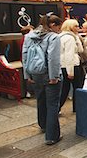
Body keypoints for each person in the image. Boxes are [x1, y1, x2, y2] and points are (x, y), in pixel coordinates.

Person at [22, 14, 63, 145]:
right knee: (52, 105)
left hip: (35, 73)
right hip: (49, 74)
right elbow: (53, 58)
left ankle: (43, 125)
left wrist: (27, 75)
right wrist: (54, 76)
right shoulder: (53, 38)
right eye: (58, 26)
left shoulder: (29, 36)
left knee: (40, 100)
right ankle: (52, 136)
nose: (59, 29)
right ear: (52, 25)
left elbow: (24, 55)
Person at [59, 19, 84, 112]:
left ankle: (59, 108)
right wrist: (70, 71)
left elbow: (80, 50)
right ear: (70, 27)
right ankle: (77, 108)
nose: (78, 28)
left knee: (65, 88)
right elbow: (69, 55)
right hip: (72, 65)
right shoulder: (69, 38)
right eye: (76, 26)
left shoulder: (62, 36)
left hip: (64, 65)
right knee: (76, 88)